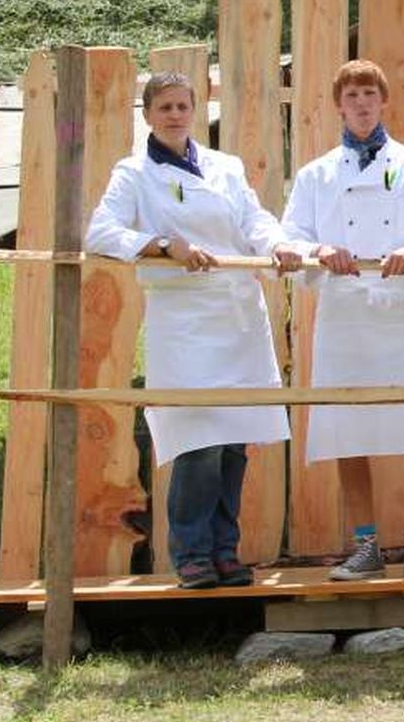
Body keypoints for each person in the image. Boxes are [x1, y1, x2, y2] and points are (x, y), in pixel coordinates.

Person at [85, 70, 303, 589]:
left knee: (233, 445)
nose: (175, 115)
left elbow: (254, 221)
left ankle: (225, 551)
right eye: (165, 107)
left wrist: (278, 244)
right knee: (198, 444)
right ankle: (191, 555)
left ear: (197, 110)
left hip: (237, 318)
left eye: (183, 106)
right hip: (184, 322)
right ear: (148, 114)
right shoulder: (133, 173)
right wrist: (164, 245)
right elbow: (100, 232)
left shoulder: (226, 167)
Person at [281, 60, 404, 581]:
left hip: (403, 313)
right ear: (338, 106)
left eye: (369, 94)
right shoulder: (315, 175)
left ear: (384, 102)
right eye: (352, 95)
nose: (361, 104)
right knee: (348, 430)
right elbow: (289, 237)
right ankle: (366, 548)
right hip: (344, 316)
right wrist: (319, 250)